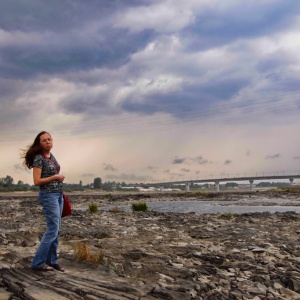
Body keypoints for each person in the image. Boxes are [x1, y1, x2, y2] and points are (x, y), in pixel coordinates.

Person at [23, 131, 65, 272]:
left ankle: (51, 261)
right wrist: (55, 177)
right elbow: (37, 181)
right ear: (39, 144)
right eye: (44, 140)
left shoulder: (50, 156)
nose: (48, 142)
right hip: (48, 196)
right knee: (52, 229)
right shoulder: (39, 159)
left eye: (49, 139)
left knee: (56, 230)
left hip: (58, 195)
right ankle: (37, 263)